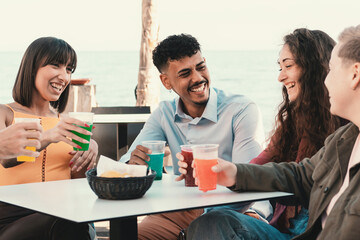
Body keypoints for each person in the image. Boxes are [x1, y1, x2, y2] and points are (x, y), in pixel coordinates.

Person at [186, 24, 360, 240]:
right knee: (211, 222)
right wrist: (231, 172)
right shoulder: (343, 140)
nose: (326, 79)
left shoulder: (340, 131)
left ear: (355, 75)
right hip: (291, 230)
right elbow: (299, 174)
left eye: (332, 70)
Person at [120, 33, 266, 239]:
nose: (197, 78)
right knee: (134, 236)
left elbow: (250, 178)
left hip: (234, 211)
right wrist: (134, 164)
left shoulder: (241, 110)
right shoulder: (164, 114)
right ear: (166, 82)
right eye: (185, 73)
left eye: (201, 67)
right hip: (179, 211)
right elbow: (128, 161)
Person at [0, 37, 98, 239]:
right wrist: (49, 136)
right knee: (68, 220)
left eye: (69, 70)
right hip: (11, 218)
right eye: (56, 65)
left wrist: (87, 155)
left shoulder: (67, 123)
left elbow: (78, 185)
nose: (64, 76)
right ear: (32, 67)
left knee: (75, 219)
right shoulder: (5, 113)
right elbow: (6, 159)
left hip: (64, 217)